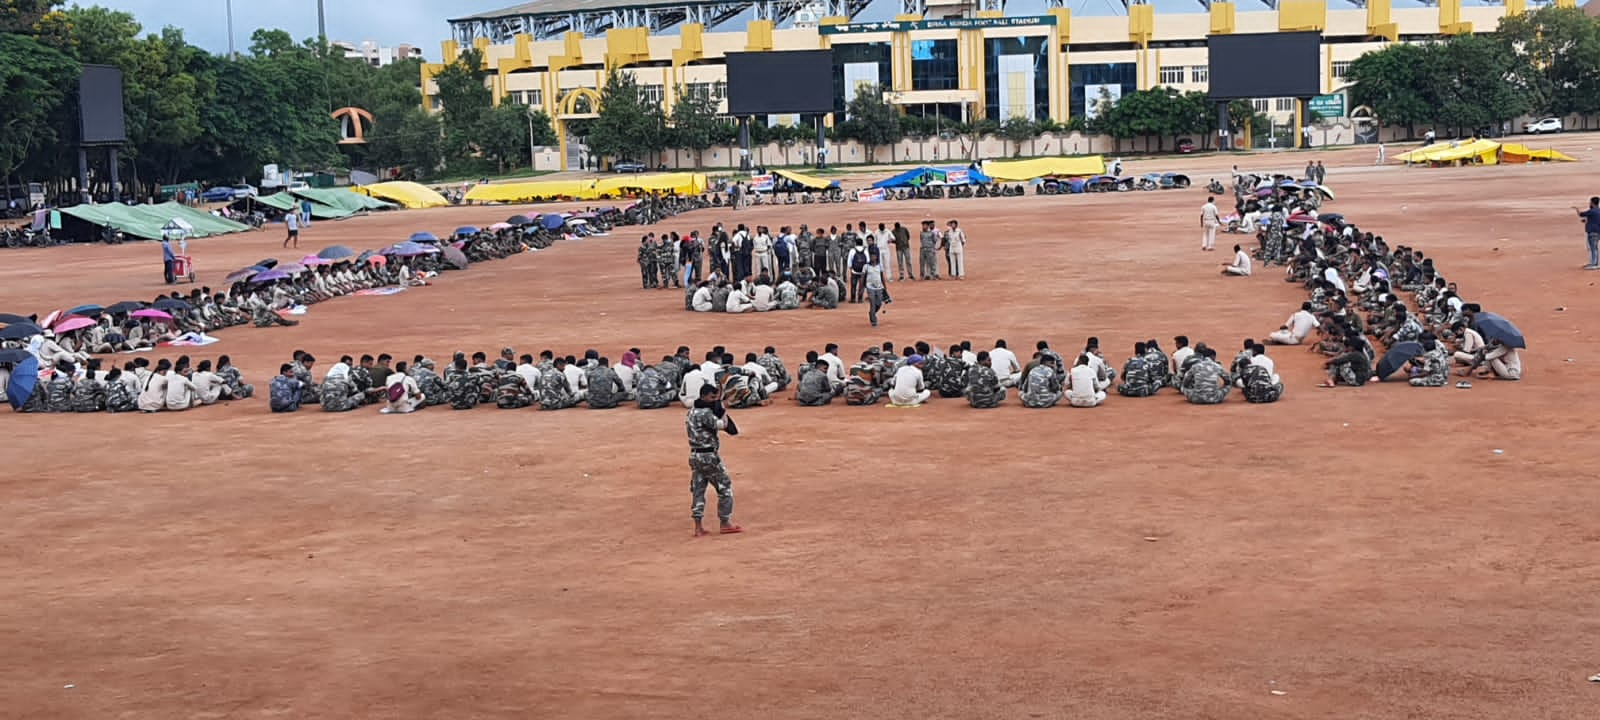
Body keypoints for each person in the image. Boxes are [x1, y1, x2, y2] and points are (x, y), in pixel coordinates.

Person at [687, 383, 742, 536]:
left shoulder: (691, 412)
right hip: (709, 456)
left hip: (695, 455)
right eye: (712, 397)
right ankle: (725, 522)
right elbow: (724, 425)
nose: (713, 400)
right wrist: (723, 410)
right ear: (704, 396)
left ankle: (698, 527)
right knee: (725, 488)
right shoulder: (705, 413)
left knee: (698, 490)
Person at [1572, 196, 1600, 270]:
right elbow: (1594, 220)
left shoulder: (1592, 211)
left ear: (1593, 203)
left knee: (1593, 248)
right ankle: (1593, 263)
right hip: (1597, 231)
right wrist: (1586, 221)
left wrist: (1577, 209)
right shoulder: (1598, 211)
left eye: (1590, 202)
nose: (1589, 203)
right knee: (1593, 248)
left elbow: (1581, 214)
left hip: (1592, 232)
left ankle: (1594, 264)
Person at [864, 253, 887, 327]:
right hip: (870, 287)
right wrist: (861, 288)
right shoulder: (866, 266)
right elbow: (863, 278)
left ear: (876, 257)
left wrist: (885, 287)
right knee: (872, 302)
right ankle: (874, 321)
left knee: (879, 302)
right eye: (871, 256)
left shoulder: (879, 266)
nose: (872, 258)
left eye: (874, 256)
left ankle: (872, 313)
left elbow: (882, 276)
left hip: (879, 287)